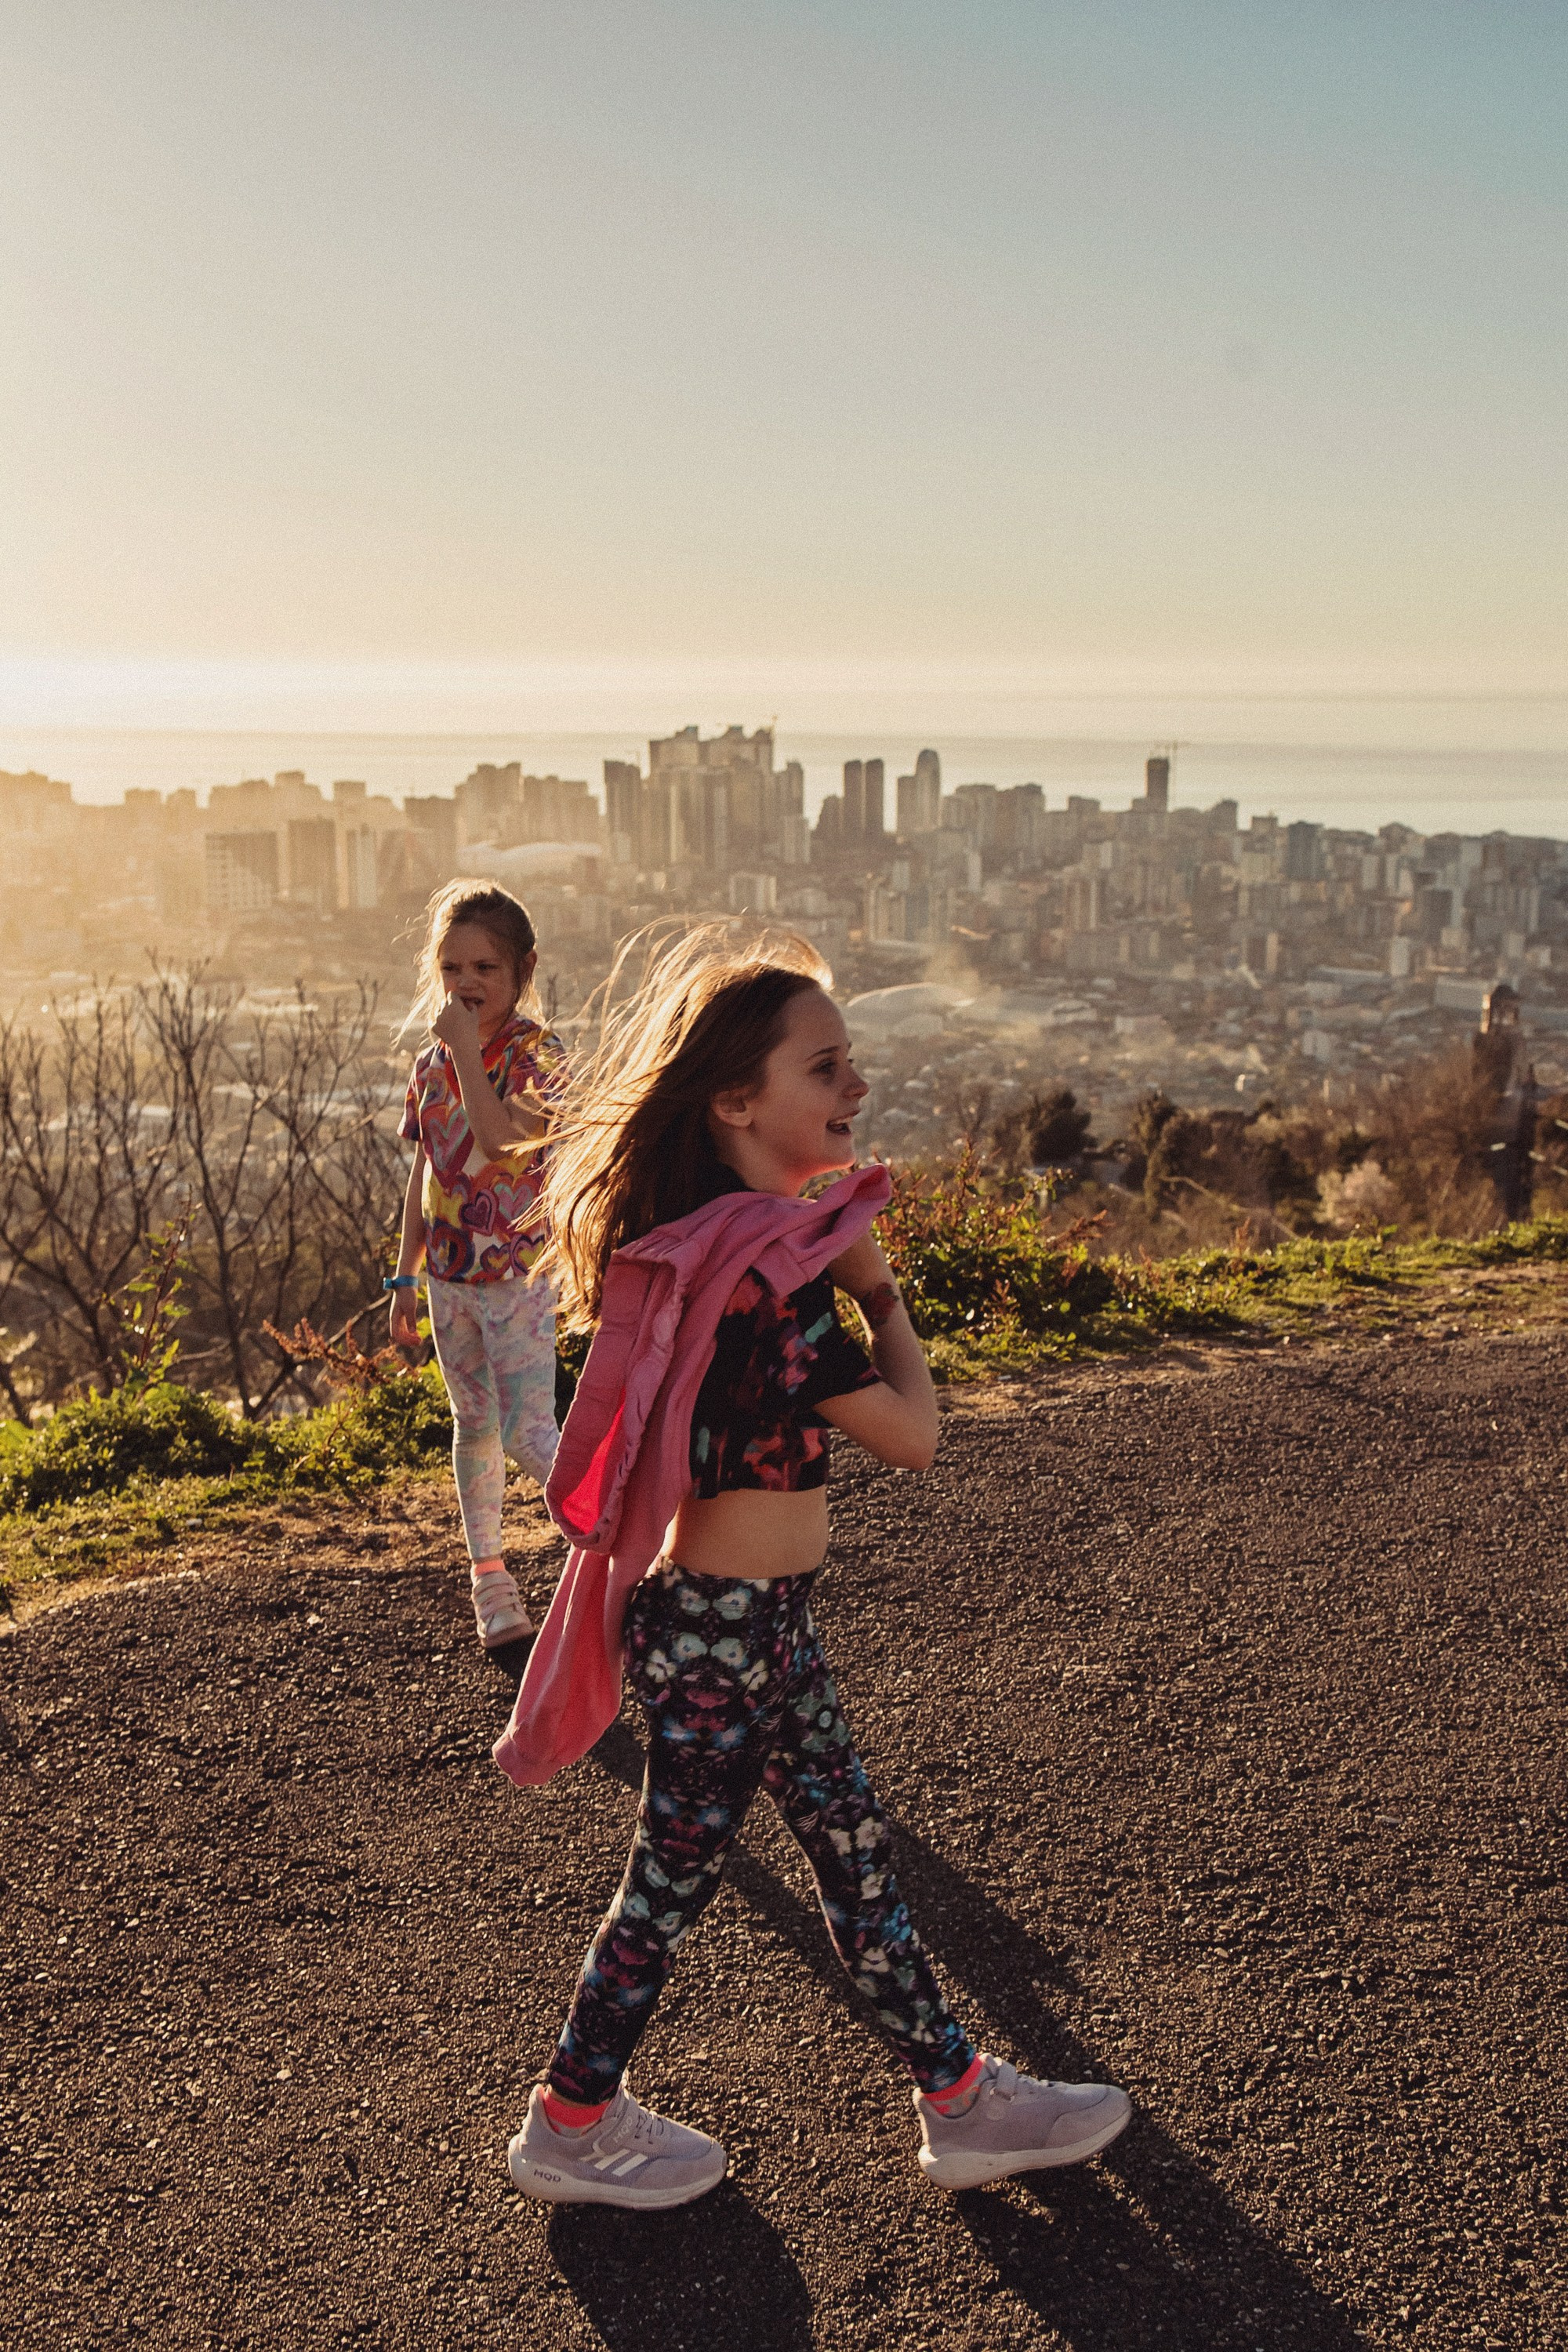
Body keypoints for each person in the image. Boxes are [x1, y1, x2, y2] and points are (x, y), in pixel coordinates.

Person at [499, 926, 1131, 2209]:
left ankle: (960, 2102)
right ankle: (569, 2120)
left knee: (855, 1857)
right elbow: (914, 1434)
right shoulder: (767, 1296)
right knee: (668, 1890)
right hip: (727, 1637)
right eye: (826, 1068)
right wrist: (879, 1290)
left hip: (755, 1627)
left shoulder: (732, 1254)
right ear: (736, 1100)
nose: (855, 1090)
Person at [390, 880, 564, 1649]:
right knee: (474, 1427)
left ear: (522, 969)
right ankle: (489, 1581)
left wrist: (463, 1052)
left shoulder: (540, 1057)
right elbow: (427, 1171)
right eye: (451, 965)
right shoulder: (429, 1063)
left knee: (530, 1432)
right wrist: (404, 1274)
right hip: (449, 1280)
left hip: (519, 1280)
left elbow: (500, 1147)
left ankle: (617, 1551)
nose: (465, 983)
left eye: (484, 968)